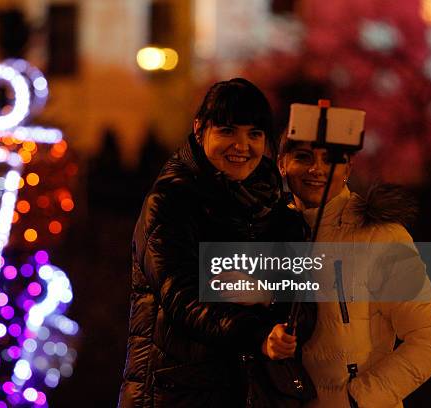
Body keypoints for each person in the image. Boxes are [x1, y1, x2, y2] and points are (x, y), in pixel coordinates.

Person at [118, 78, 315, 408]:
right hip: (176, 392)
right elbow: (181, 295)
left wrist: (280, 322)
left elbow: (301, 298)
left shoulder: (275, 208)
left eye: (254, 134)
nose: (242, 145)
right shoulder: (171, 201)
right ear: (200, 130)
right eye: (227, 131)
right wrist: (257, 331)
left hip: (253, 391)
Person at [278, 136, 431, 407]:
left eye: (332, 160)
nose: (317, 169)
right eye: (303, 157)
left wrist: (358, 399)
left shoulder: (379, 235)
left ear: (348, 168)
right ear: (282, 164)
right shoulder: (264, 233)